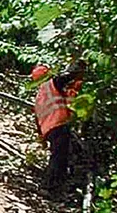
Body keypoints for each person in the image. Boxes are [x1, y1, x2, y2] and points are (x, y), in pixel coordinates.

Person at [33, 60, 85, 195]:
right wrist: (81, 68)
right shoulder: (51, 84)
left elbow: (37, 120)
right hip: (59, 124)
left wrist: (42, 138)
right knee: (59, 159)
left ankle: (54, 187)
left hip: (49, 130)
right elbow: (68, 75)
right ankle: (49, 187)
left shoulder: (39, 96)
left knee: (59, 157)